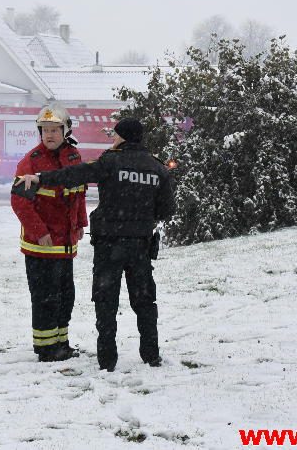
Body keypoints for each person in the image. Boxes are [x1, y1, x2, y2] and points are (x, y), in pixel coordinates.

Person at [16, 117, 174, 372]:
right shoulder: (158, 168)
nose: (112, 140)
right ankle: (151, 355)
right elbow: (166, 209)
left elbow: (75, 175)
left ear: (122, 137)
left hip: (109, 245)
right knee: (144, 302)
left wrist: (41, 178)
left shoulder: (109, 162)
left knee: (106, 302)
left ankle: (107, 359)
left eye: (115, 136)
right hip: (141, 247)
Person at [10, 102, 87, 362]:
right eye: (45, 130)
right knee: (45, 297)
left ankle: (61, 343)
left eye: (55, 129)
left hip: (65, 245)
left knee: (66, 296)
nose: (50, 135)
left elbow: (78, 195)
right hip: (41, 246)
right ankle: (46, 348)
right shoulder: (30, 163)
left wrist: (80, 224)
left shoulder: (73, 157)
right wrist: (39, 231)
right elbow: (20, 202)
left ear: (66, 131)